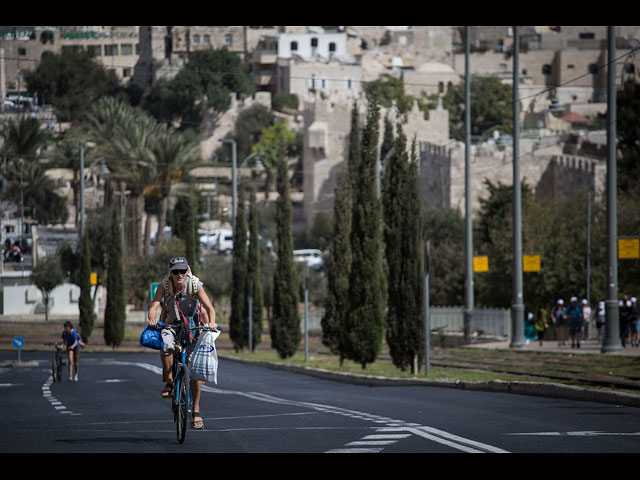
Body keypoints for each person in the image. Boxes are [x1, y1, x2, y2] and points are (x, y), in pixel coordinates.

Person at [147, 257, 216, 430]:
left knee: (195, 371)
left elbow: (210, 308)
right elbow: (155, 305)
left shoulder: (194, 285)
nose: (179, 275)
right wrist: (152, 317)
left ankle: (196, 409)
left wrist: (212, 323)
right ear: (170, 272)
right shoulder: (165, 286)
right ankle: (170, 383)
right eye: (175, 271)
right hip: (172, 324)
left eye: (182, 271)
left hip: (193, 327)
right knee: (166, 345)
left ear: (187, 271)